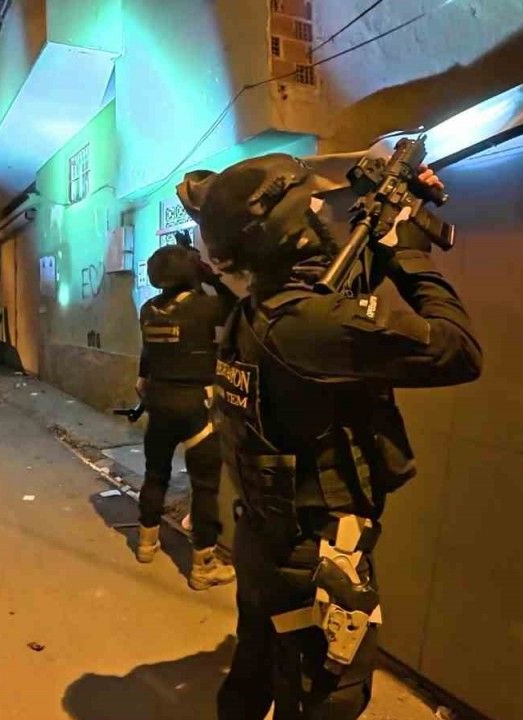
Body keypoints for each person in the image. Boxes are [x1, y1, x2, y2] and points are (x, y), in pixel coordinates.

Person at [175, 154, 482, 719]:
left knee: (253, 674)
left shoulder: (259, 313)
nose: (323, 212)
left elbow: (337, 317)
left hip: (267, 543)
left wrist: (382, 231)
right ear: (292, 230)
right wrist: (407, 251)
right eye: (313, 206)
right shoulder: (304, 325)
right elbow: (459, 351)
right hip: (317, 557)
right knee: (327, 697)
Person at [134, 240, 238, 591]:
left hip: (159, 403)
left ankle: (146, 544)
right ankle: (202, 567)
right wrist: (213, 279)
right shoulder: (205, 307)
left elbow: (149, 353)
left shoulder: (148, 310)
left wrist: (143, 379)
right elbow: (237, 309)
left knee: (155, 474)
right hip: (196, 405)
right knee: (204, 488)